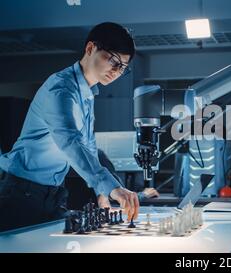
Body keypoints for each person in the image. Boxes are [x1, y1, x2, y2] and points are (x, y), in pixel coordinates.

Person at [0, 22, 140, 232]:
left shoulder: (87, 94)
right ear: (90, 48)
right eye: (112, 60)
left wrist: (102, 194)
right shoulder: (61, 89)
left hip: (53, 192)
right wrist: (113, 188)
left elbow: (89, 147)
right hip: (22, 190)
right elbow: (70, 142)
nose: (115, 70)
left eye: (122, 67)